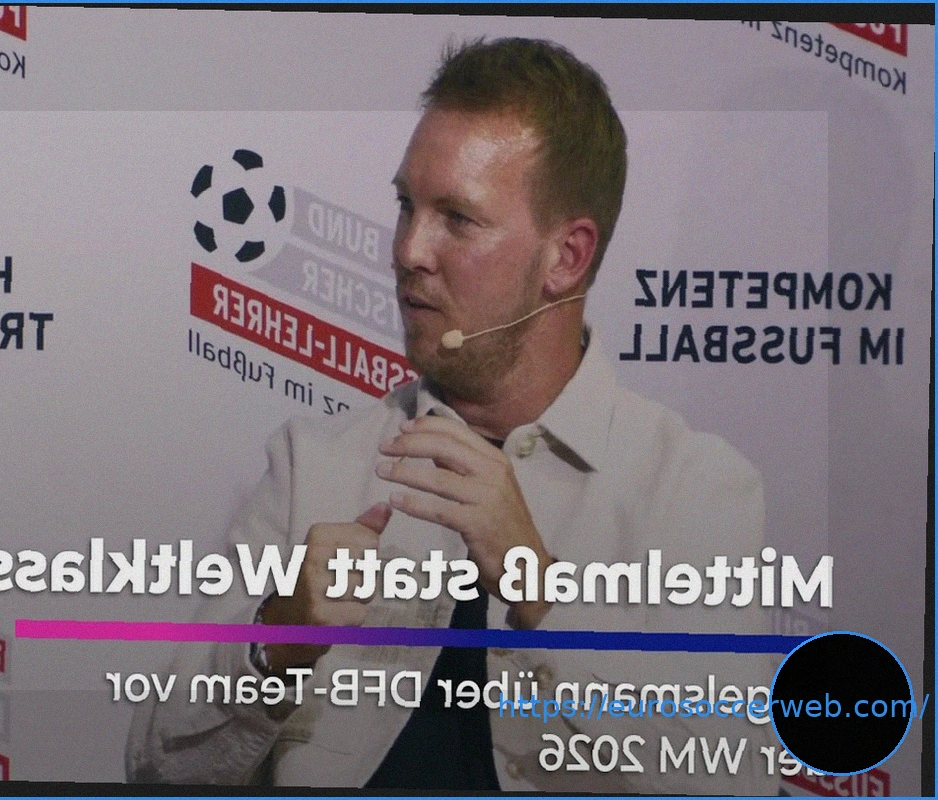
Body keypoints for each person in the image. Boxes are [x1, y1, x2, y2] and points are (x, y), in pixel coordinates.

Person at [127, 37, 778, 793]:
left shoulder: (692, 487)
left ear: (567, 257)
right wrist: (276, 642)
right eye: (406, 206)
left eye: (458, 219)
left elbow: (735, 780)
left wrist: (542, 593)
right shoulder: (316, 464)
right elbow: (153, 771)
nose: (409, 250)